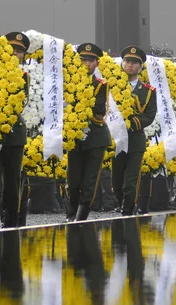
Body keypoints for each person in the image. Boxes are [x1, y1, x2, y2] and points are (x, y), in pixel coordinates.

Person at [0, 31, 29, 230]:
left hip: (13, 135)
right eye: (12, 49)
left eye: (19, 51)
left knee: (11, 185)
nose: (15, 53)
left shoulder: (23, 75)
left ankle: (10, 225)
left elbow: (19, 104)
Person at [65, 43, 111, 222]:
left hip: (95, 138)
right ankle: (70, 213)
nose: (86, 63)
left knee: (89, 181)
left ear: (97, 64)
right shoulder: (69, 82)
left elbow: (99, 109)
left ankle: (81, 216)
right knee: (73, 180)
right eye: (83, 59)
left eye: (90, 60)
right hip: (74, 138)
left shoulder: (101, 85)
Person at [112, 46, 157, 216]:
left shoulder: (148, 91)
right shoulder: (113, 86)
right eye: (127, 61)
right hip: (116, 139)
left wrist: (130, 124)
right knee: (116, 179)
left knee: (131, 180)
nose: (130, 65)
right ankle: (120, 203)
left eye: (134, 62)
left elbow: (149, 115)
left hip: (135, 139)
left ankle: (128, 209)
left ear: (140, 67)